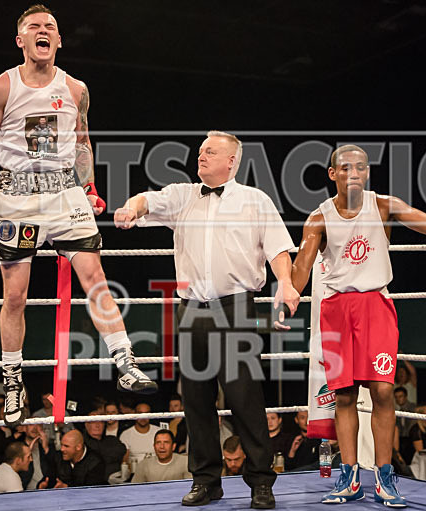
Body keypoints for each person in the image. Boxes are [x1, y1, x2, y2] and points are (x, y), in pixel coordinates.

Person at [0, 3, 156, 428]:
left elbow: (83, 141)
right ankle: (13, 379)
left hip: (65, 193)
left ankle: (125, 362)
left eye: (50, 27)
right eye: (34, 26)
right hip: (17, 195)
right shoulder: (1, 86)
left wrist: (89, 186)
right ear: (20, 40)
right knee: (15, 295)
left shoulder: (76, 89)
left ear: (58, 40)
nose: (42, 30)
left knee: (96, 278)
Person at [289, 144, 426, 507]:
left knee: (384, 391)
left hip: (376, 305)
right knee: (343, 395)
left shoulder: (383, 205)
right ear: (333, 174)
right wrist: (280, 285)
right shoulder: (319, 218)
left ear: (367, 172)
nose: (354, 172)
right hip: (336, 309)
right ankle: (348, 476)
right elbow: (299, 273)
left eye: (360, 166)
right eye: (345, 167)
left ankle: (385, 477)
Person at [115, 130, 299, 509]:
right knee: (195, 400)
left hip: (235, 307)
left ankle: (261, 483)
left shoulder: (254, 200)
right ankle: (206, 481)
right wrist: (131, 209)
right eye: (200, 151)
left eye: (210, 152)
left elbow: (279, 247)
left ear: (232, 160)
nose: (201, 156)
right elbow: (147, 199)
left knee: (244, 397)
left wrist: (286, 284)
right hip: (191, 309)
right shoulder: (184, 196)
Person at [83, 409, 127, 479]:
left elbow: (123, 451)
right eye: (93, 422)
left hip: (116, 481)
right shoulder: (82, 442)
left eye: (100, 422)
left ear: (104, 425)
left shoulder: (112, 439)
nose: (97, 425)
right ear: (86, 425)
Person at [22, 422, 57, 489]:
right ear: (24, 428)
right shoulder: (18, 447)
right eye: (31, 424)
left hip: (46, 488)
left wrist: (46, 448)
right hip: (25, 490)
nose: (35, 428)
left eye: (38, 425)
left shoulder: (47, 448)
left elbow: (54, 471)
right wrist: (28, 451)